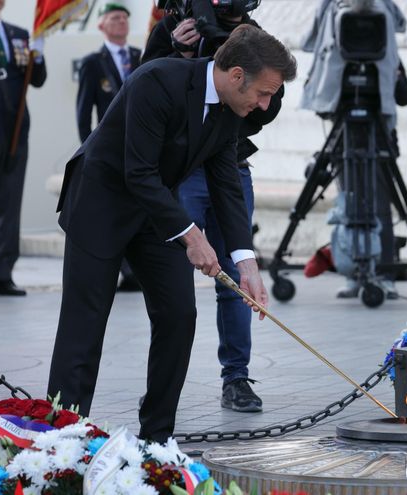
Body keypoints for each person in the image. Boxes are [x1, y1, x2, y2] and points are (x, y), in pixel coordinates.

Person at [47, 25, 296, 443]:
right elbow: (137, 172)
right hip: (101, 205)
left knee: (179, 314)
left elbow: (226, 181)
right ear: (236, 76)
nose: (265, 105)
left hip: (156, 214)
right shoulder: (156, 81)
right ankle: (60, 435)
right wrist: (193, 236)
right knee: (84, 324)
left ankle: (157, 435)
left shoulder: (229, 110)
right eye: (265, 93)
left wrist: (246, 261)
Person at [142, 0, 281, 412]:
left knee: (236, 274)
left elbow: (267, 107)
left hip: (231, 164)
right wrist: (180, 54)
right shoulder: (173, 26)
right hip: (183, 173)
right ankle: (164, 385)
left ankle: (236, 376)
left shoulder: (254, 38)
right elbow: (145, 86)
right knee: (172, 279)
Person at [301, 0, 407, 299]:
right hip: (344, 123)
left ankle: (384, 272)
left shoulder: (382, 19)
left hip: (378, 126)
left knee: (380, 202)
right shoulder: (334, 11)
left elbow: (405, 94)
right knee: (349, 198)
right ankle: (355, 270)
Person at [0, 0, 47, 298]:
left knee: (10, 204)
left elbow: (37, 79)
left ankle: (4, 271)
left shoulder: (19, 34)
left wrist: (38, 54)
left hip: (16, 130)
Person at [75, 3, 141, 291]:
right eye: (115, 18)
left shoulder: (140, 57)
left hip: (140, 147)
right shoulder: (93, 62)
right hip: (110, 150)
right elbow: (83, 111)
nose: (121, 23)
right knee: (112, 210)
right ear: (101, 24)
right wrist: (89, 151)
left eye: (125, 18)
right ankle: (120, 268)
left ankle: (134, 270)